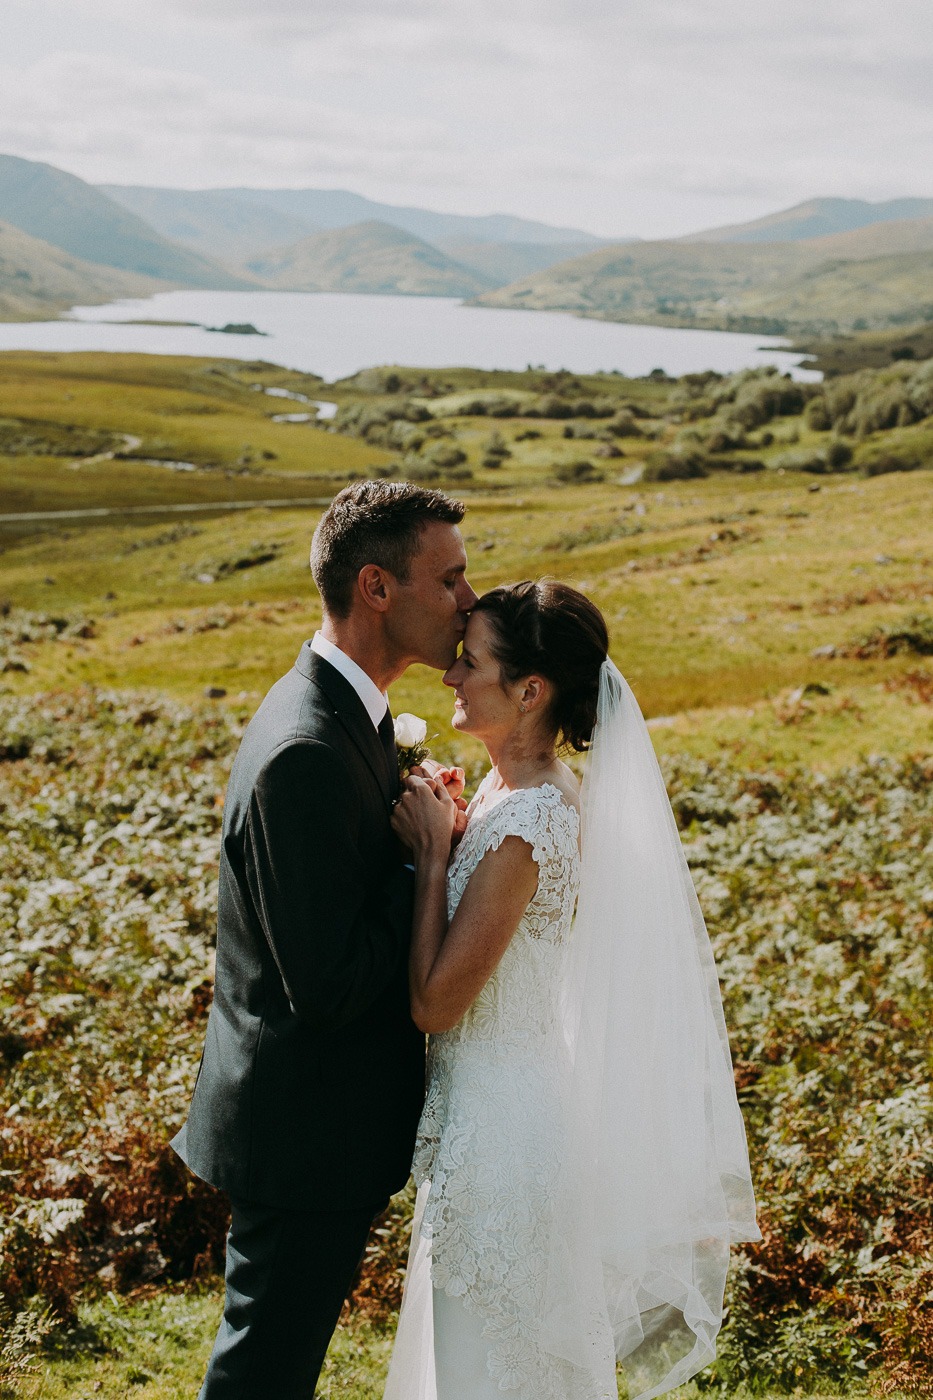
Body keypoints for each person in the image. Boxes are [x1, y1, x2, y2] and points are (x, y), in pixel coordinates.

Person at [384, 579, 761, 1400]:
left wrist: (436, 861)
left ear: (528, 690)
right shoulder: (506, 794)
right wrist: (449, 826)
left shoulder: (533, 820)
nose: (449, 675)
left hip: (505, 1141)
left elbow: (436, 1005)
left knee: (491, 1371)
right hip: (486, 1114)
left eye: (468, 661)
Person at [171, 480, 477, 1400]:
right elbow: (330, 980)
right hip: (302, 1127)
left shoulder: (351, 714)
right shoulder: (306, 748)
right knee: (264, 1367)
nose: (468, 601)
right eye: (450, 579)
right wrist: (427, 861)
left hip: (319, 1121)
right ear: (377, 587)